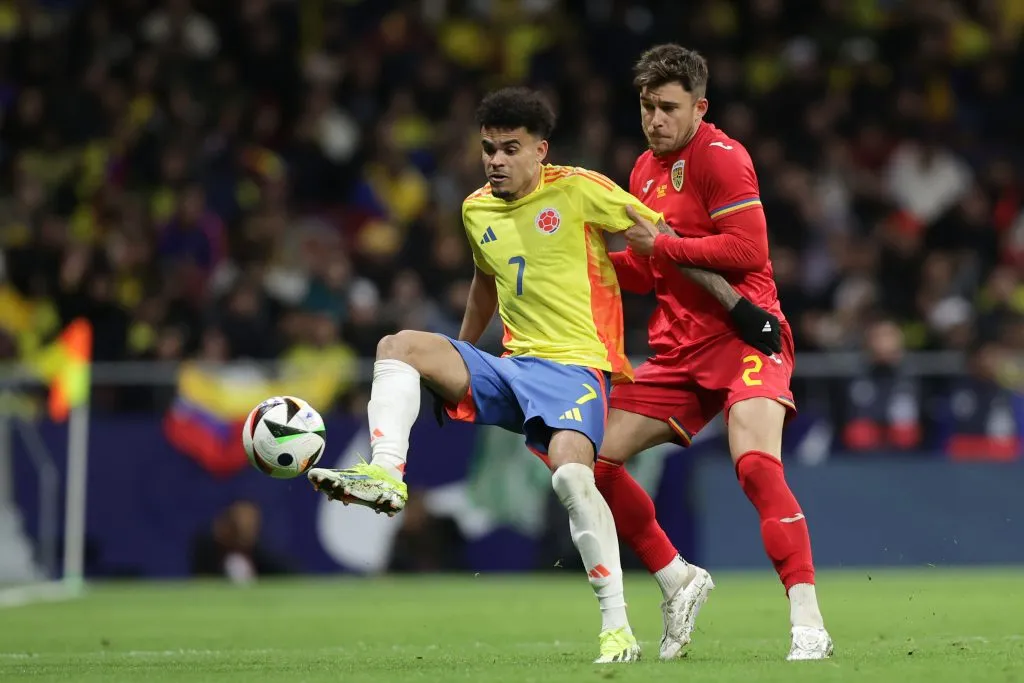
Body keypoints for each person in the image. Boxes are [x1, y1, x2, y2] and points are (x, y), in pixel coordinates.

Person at [309, 87, 667, 663]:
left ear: (539, 150)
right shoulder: (476, 208)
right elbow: (485, 282)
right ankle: (386, 474)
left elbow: (659, 237)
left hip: (575, 369)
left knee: (574, 482)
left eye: (509, 149)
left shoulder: (579, 189)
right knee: (397, 346)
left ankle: (618, 627)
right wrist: (459, 356)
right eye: (487, 149)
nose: (495, 160)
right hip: (510, 365)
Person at [596, 44, 834, 661]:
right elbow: (651, 272)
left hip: (743, 335)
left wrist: (665, 244)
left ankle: (806, 618)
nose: (655, 120)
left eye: (668, 108)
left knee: (755, 466)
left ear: (700, 106)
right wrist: (590, 264)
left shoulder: (722, 158)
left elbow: (747, 253)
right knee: (591, 461)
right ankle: (677, 577)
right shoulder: (643, 170)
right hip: (677, 352)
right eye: (647, 106)